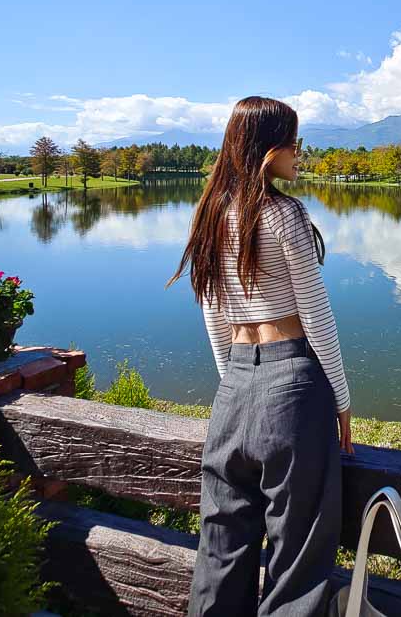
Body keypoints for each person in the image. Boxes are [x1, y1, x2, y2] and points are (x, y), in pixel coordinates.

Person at [168, 95, 353, 617]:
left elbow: (214, 316)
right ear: (268, 149)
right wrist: (341, 400)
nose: (299, 153)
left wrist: (237, 386)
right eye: (293, 142)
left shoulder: (209, 214)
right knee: (297, 557)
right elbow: (316, 314)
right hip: (293, 382)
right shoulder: (284, 214)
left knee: (222, 545)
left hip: (235, 387)